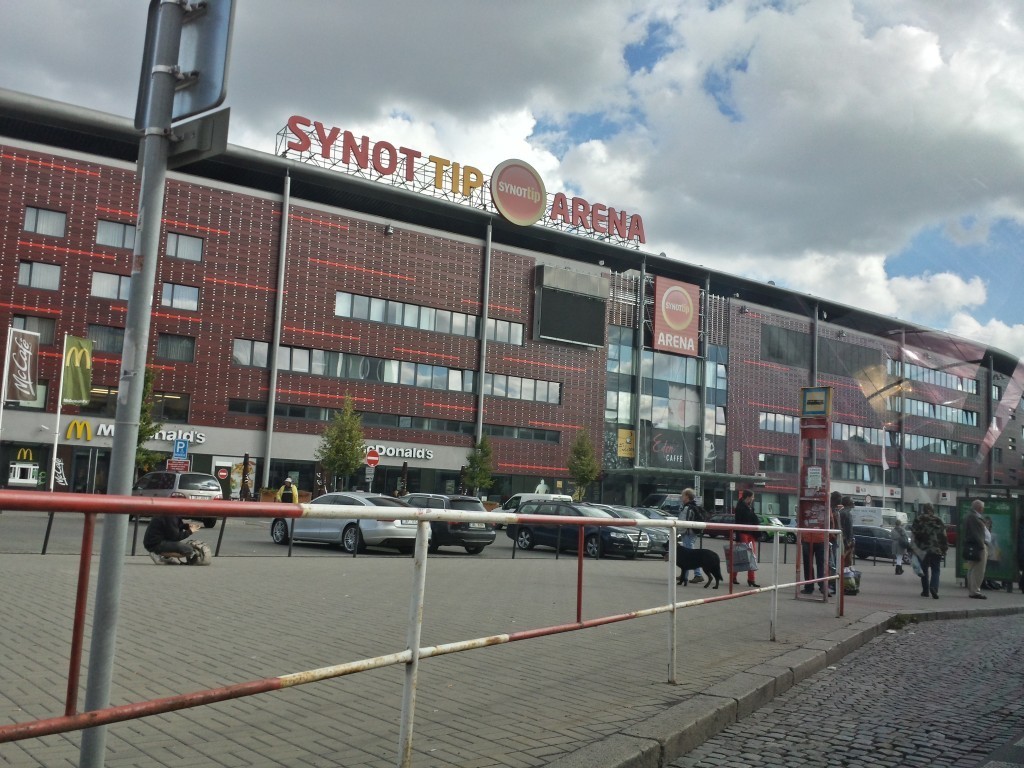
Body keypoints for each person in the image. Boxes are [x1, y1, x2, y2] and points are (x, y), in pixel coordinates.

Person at [910, 504, 946, 598]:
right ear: (932, 510)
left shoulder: (918, 520)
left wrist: (913, 548)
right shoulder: (938, 520)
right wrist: (944, 549)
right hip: (936, 549)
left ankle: (925, 591)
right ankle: (934, 587)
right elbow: (943, 536)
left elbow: (913, 535)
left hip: (922, 549)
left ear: (923, 510)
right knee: (936, 569)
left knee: (924, 569)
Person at [732, 490, 760, 588]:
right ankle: (749, 579)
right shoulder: (741, 508)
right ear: (748, 497)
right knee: (746, 556)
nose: (753, 499)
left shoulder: (748, 507)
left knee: (749, 556)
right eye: (752, 497)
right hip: (744, 533)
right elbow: (739, 522)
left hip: (749, 533)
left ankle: (749, 579)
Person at [963, 499, 989, 599]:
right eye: (982, 507)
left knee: (972, 568)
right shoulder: (973, 517)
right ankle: (975, 591)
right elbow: (976, 533)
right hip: (978, 546)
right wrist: (982, 545)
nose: (983, 509)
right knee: (978, 570)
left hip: (975, 545)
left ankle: (972, 590)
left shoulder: (971, 516)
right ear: (979, 507)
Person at [678, 488, 705, 583]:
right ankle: (685, 575)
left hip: (687, 533)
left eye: (683, 495)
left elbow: (682, 522)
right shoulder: (694, 506)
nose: (681, 497)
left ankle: (698, 574)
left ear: (687, 496)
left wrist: (677, 530)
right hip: (693, 532)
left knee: (690, 555)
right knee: (689, 554)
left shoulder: (687, 508)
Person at [839, 495, 855, 569]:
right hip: (846, 542)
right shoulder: (846, 513)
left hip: (846, 541)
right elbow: (845, 529)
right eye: (852, 501)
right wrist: (848, 541)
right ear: (848, 503)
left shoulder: (843, 512)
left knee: (846, 562)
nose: (853, 502)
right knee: (845, 562)